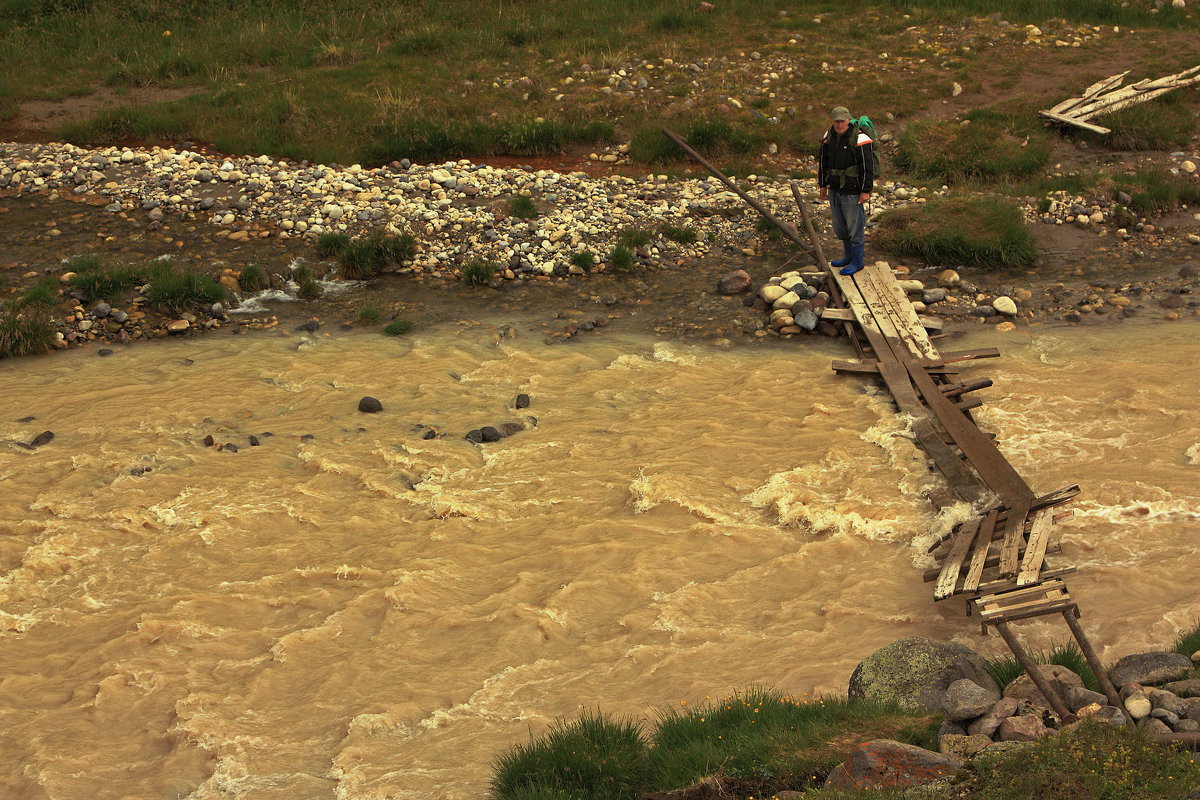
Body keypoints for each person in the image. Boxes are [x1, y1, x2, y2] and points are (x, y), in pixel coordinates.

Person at [818, 105, 875, 276]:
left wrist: (866, 190)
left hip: (853, 190)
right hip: (835, 189)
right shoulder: (829, 136)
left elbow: (867, 166)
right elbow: (823, 162)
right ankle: (848, 257)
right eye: (836, 121)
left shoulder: (860, 138)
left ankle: (857, 261)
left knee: (855, 226)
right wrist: (822, 184)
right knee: (840, 226)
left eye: (842, 121)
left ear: (848, 120)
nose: (839, 124)